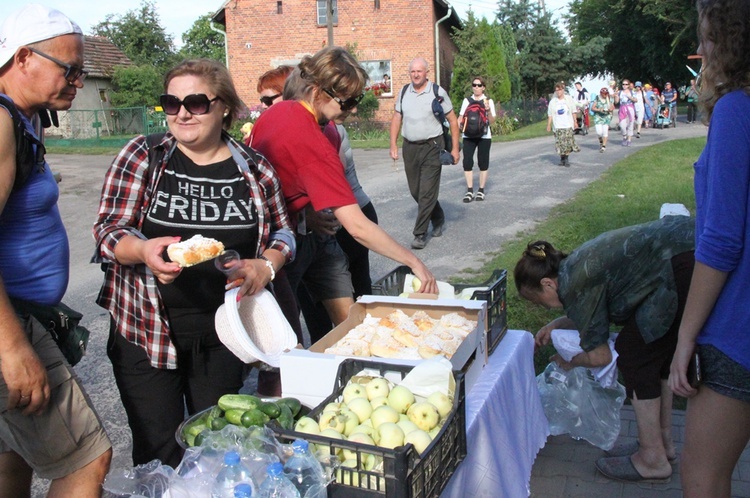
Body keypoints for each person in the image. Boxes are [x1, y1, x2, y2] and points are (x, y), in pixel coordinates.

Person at [93, 59, 296, 467]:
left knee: (219, 448)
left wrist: (265, 266)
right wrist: (143, 251)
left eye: (196, 102)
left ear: (224, 107)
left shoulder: (254, 168)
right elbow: (109, 229)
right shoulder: (144, 155)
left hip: (224, 335)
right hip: (146, 332)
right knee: (158, 452)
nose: (182, 112)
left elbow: (284, 233)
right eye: (171, 103)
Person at [0, 4, 112, 495]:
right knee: (85, 459)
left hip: (25, 313)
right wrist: (13, 348)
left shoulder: (25, 118)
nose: (77, 80)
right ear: (23, 58)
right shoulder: (1, 124)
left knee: (14, 451)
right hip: (10, 322)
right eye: (70, 69)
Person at [251, 47, 437, 340]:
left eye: (356, 100)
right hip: (278, 244)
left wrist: (304, 209)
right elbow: (357, 226)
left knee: (349, 325)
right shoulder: (314, 141)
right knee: (284, 343)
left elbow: (281, 177)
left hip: (306, 233)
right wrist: (413, 261)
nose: (352, 109)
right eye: (347, 101)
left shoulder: (277, 113)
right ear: (316, 92)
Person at [515, 215, 695, 483]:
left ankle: (652, 459)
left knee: (635, 355)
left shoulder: (575, 283)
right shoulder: (573, 266)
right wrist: (557, 323)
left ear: (547, 284)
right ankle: (661, 445)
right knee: (656, 357)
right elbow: (594, 308)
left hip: (679, 265)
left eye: (539, 302)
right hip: (684, 249)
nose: (543, 307)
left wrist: (570, 362)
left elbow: (601, 356)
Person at [669, 1, 750, 496]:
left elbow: (720, 241)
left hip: (736, 328)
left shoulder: (737, 109)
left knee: (702, 477)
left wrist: (685, 337)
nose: (700, 50)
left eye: (707, 37)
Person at [389, 57, 459, 250]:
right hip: (410, 147)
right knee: (416, 191)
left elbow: (453, 120)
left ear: (426, 72)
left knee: (427, 191)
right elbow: (397, 117)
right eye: (413, 71)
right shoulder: (404, 92)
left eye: (420, 71)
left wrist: (454, 148)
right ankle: (438, 216)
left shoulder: (437, 92)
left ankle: (419, 234)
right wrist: (393, 143)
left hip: (432, 146)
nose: (416, 74)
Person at [457, 77, 496, 203]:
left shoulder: (488, 101)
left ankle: (481, 190)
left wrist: (488, 110)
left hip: (484, 135)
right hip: (468, 135)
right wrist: (458, 129)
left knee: (483, 162)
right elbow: (461, 117)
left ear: (483, 87)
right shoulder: (466, 101)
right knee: (467, 162)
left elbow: (492, 122)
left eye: (479, 85)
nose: (476, 87)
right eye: (474, 85)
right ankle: (469, 190)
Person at [546, 82, 579, 167]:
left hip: (567, 124)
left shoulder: (568, 99)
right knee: (560, 143)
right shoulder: (553, 102)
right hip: (558, 125)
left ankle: (566, 158)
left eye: (560, 90)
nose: (558, 92)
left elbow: (573, 111)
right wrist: (549, 125)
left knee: (567, 143)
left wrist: (575, 121)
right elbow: (550, 114)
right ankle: (562, 158)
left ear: (563, 90)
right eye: (557, 90)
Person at [591, 87, 614, 153]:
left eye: (606, 93)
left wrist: (610, 109)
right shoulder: (597, 98)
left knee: (605, 131)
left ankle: (603, 146)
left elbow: (612, 107)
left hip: (606, 116)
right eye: (604, 94)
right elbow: (593, 108)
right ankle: (600, 140)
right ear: (601, 93)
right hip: (598, 116)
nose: (605, 95)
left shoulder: (609, 98)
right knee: (599, 132)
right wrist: (599, 110)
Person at [614, 79, 637, 146]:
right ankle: (624, 136)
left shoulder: (632, 92)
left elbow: (636, 100)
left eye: (626, 84)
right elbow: (616, 102)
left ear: (628, 85)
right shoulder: (620, 92)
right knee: (622, 125)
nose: (624, 85)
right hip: (622, 108)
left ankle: (629, 140)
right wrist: (616, 96)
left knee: (631, 123)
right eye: (623, 84)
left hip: (630, 108)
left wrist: (630, 97)